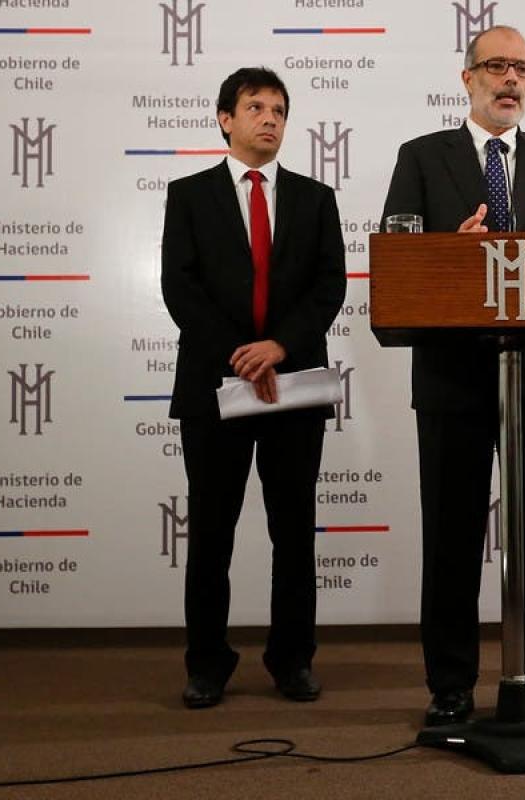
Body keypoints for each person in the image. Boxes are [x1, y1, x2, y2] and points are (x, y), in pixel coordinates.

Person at [381, 25, 525, 726]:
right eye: (497, 66)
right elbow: (397, 265)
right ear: (467, 77)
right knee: (451, 535)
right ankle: (449, 686)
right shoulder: (421, 157)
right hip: (453, 377)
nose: (511, 80)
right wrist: (450, 254)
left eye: (523, 69)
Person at [161, 66, 346, 709]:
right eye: (255, 107)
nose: (270, 119)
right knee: (212, 533)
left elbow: (329, 285)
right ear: (225, 119)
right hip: (215, 388)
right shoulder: (189, 195)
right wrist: (243, 357)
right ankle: (207, 664)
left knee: (293, 533)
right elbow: (180, 287)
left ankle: (292, 660)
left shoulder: (316, 198)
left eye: (279, 110)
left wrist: (279, 348)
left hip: (294, 388)